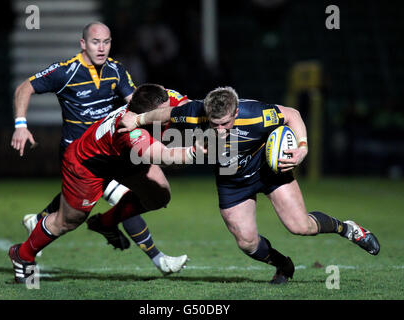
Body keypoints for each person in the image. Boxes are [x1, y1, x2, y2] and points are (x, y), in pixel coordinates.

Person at [118, 86, 381, 284]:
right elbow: (167, 112)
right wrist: (138, 120)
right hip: (231, 179)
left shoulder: (257, 114)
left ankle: (348, 229)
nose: (219, 130)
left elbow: (293, 115)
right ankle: (283, 265)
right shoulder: (195, 111)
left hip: (267, 169)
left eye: (225, 124)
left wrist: (302, 148)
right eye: (214, 123)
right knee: (246, 242)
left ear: (236, 112)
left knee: (300, 227)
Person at [10, 22, 188, 274]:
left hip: (117, 145)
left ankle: (43, 221)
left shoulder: (116, 70)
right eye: (96, 42)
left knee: (158, 192)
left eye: (107, 42)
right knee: (74, 217)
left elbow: (137, 104)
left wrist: (166, 116)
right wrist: (20, 124)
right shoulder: (66, 72)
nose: (102, 48)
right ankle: (158, 259)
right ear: (83, 43)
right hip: (85, 157)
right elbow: (24, 87)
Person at [8, 84, 199, 284]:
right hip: (88, 166)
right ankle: (22, 254)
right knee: (68, 221)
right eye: (165, 112)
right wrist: (197, 151)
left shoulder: (163, 98)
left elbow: (188, 108)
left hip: (121, 158)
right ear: (147, 114)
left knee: (159, 195)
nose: (171, 113)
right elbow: (163, 156)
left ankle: (105, 223)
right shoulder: (130, 130)